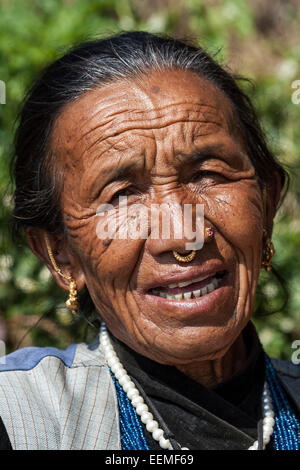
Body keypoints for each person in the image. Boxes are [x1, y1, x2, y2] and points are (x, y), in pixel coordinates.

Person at [0, 31, 299, 450]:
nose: (182, 235)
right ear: (61, 256)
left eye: (207, 174)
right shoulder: (19, 418)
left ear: (266, 205)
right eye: (122, 195)